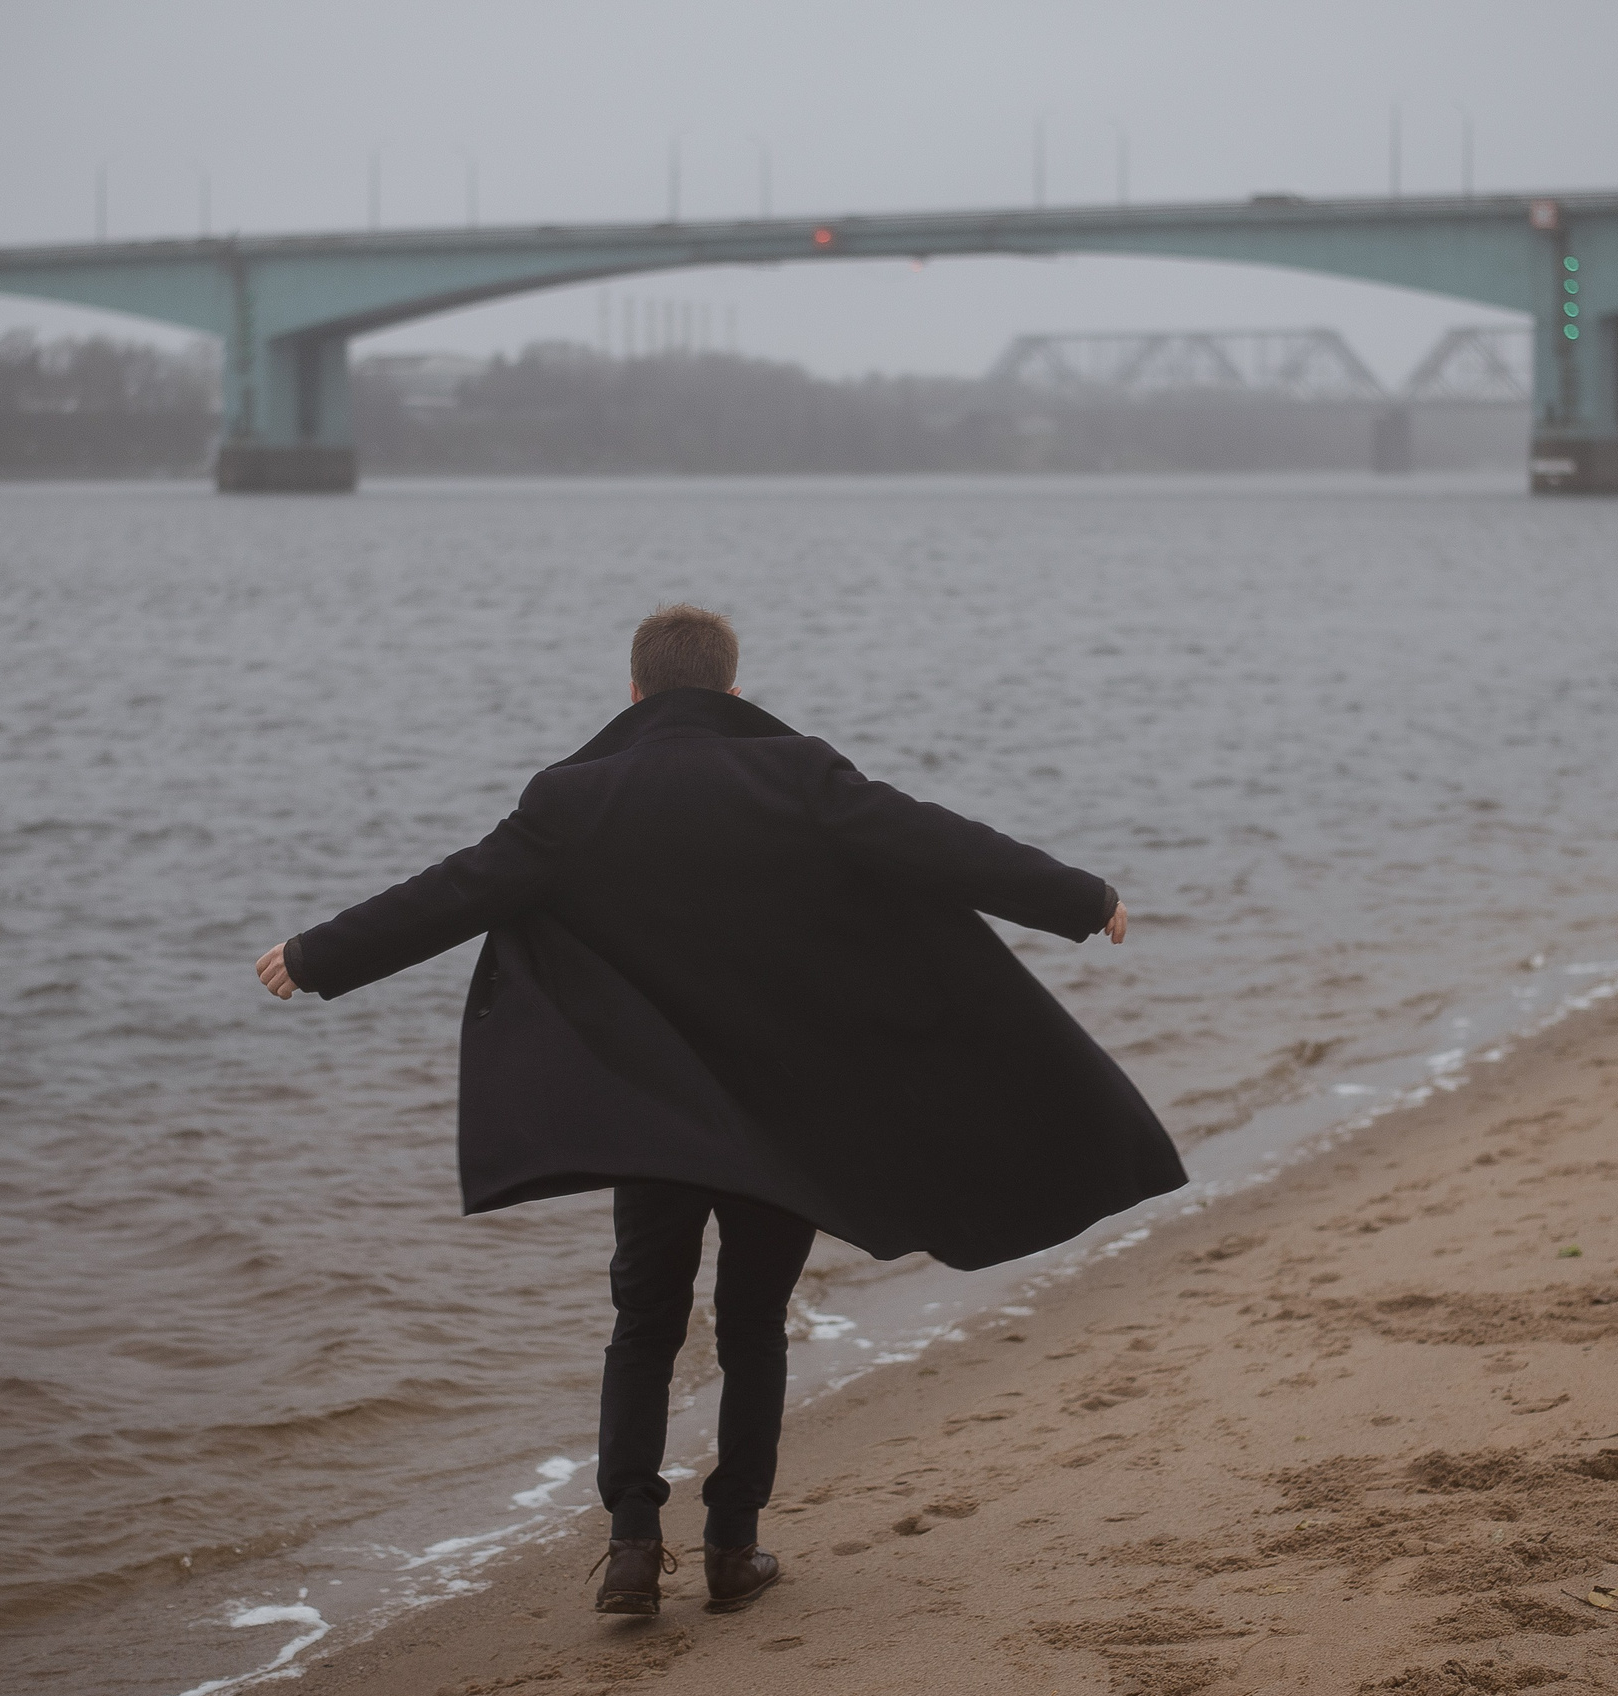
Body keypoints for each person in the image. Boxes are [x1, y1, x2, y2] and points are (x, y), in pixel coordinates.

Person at [255, 604, 1182, 1617]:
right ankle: (733, 1545)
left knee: (643, 1320)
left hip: (653, 1116)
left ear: (635, 691)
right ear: (733, 691)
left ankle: (630, 1545)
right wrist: (1079, 897)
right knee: (752, 1323)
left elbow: (451, 893)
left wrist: (315, 954)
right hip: (784, 1117)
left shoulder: (572, 799)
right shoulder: (798, 774)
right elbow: (934, 843)